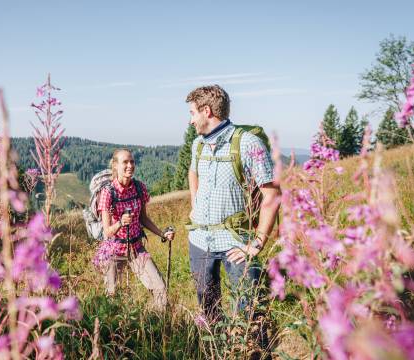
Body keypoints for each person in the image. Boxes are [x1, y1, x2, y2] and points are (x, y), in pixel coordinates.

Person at [185, 85, 281, 322]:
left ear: (206, 111)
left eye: (192, 113)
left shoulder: (247, 144)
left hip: (237, 242)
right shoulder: (198, 144)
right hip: (199, 241)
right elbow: (192, 173)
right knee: (208, 310)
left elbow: (272, 195)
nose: (190, 121)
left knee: (248, 311)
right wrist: (194, 205)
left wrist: (257, 244)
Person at [97, 148, 175, 311]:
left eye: (132, 161)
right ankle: (113, 334)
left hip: (136, 248)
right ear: (115, 166)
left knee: (160, 287)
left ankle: (158, 328)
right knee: (112, 297)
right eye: (125, 162)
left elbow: (143, 218)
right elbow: (107, 232)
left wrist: (162, 234)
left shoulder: (139, 188)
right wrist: (120, 223)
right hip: (114, 251)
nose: (130, 165)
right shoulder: (107, 193)